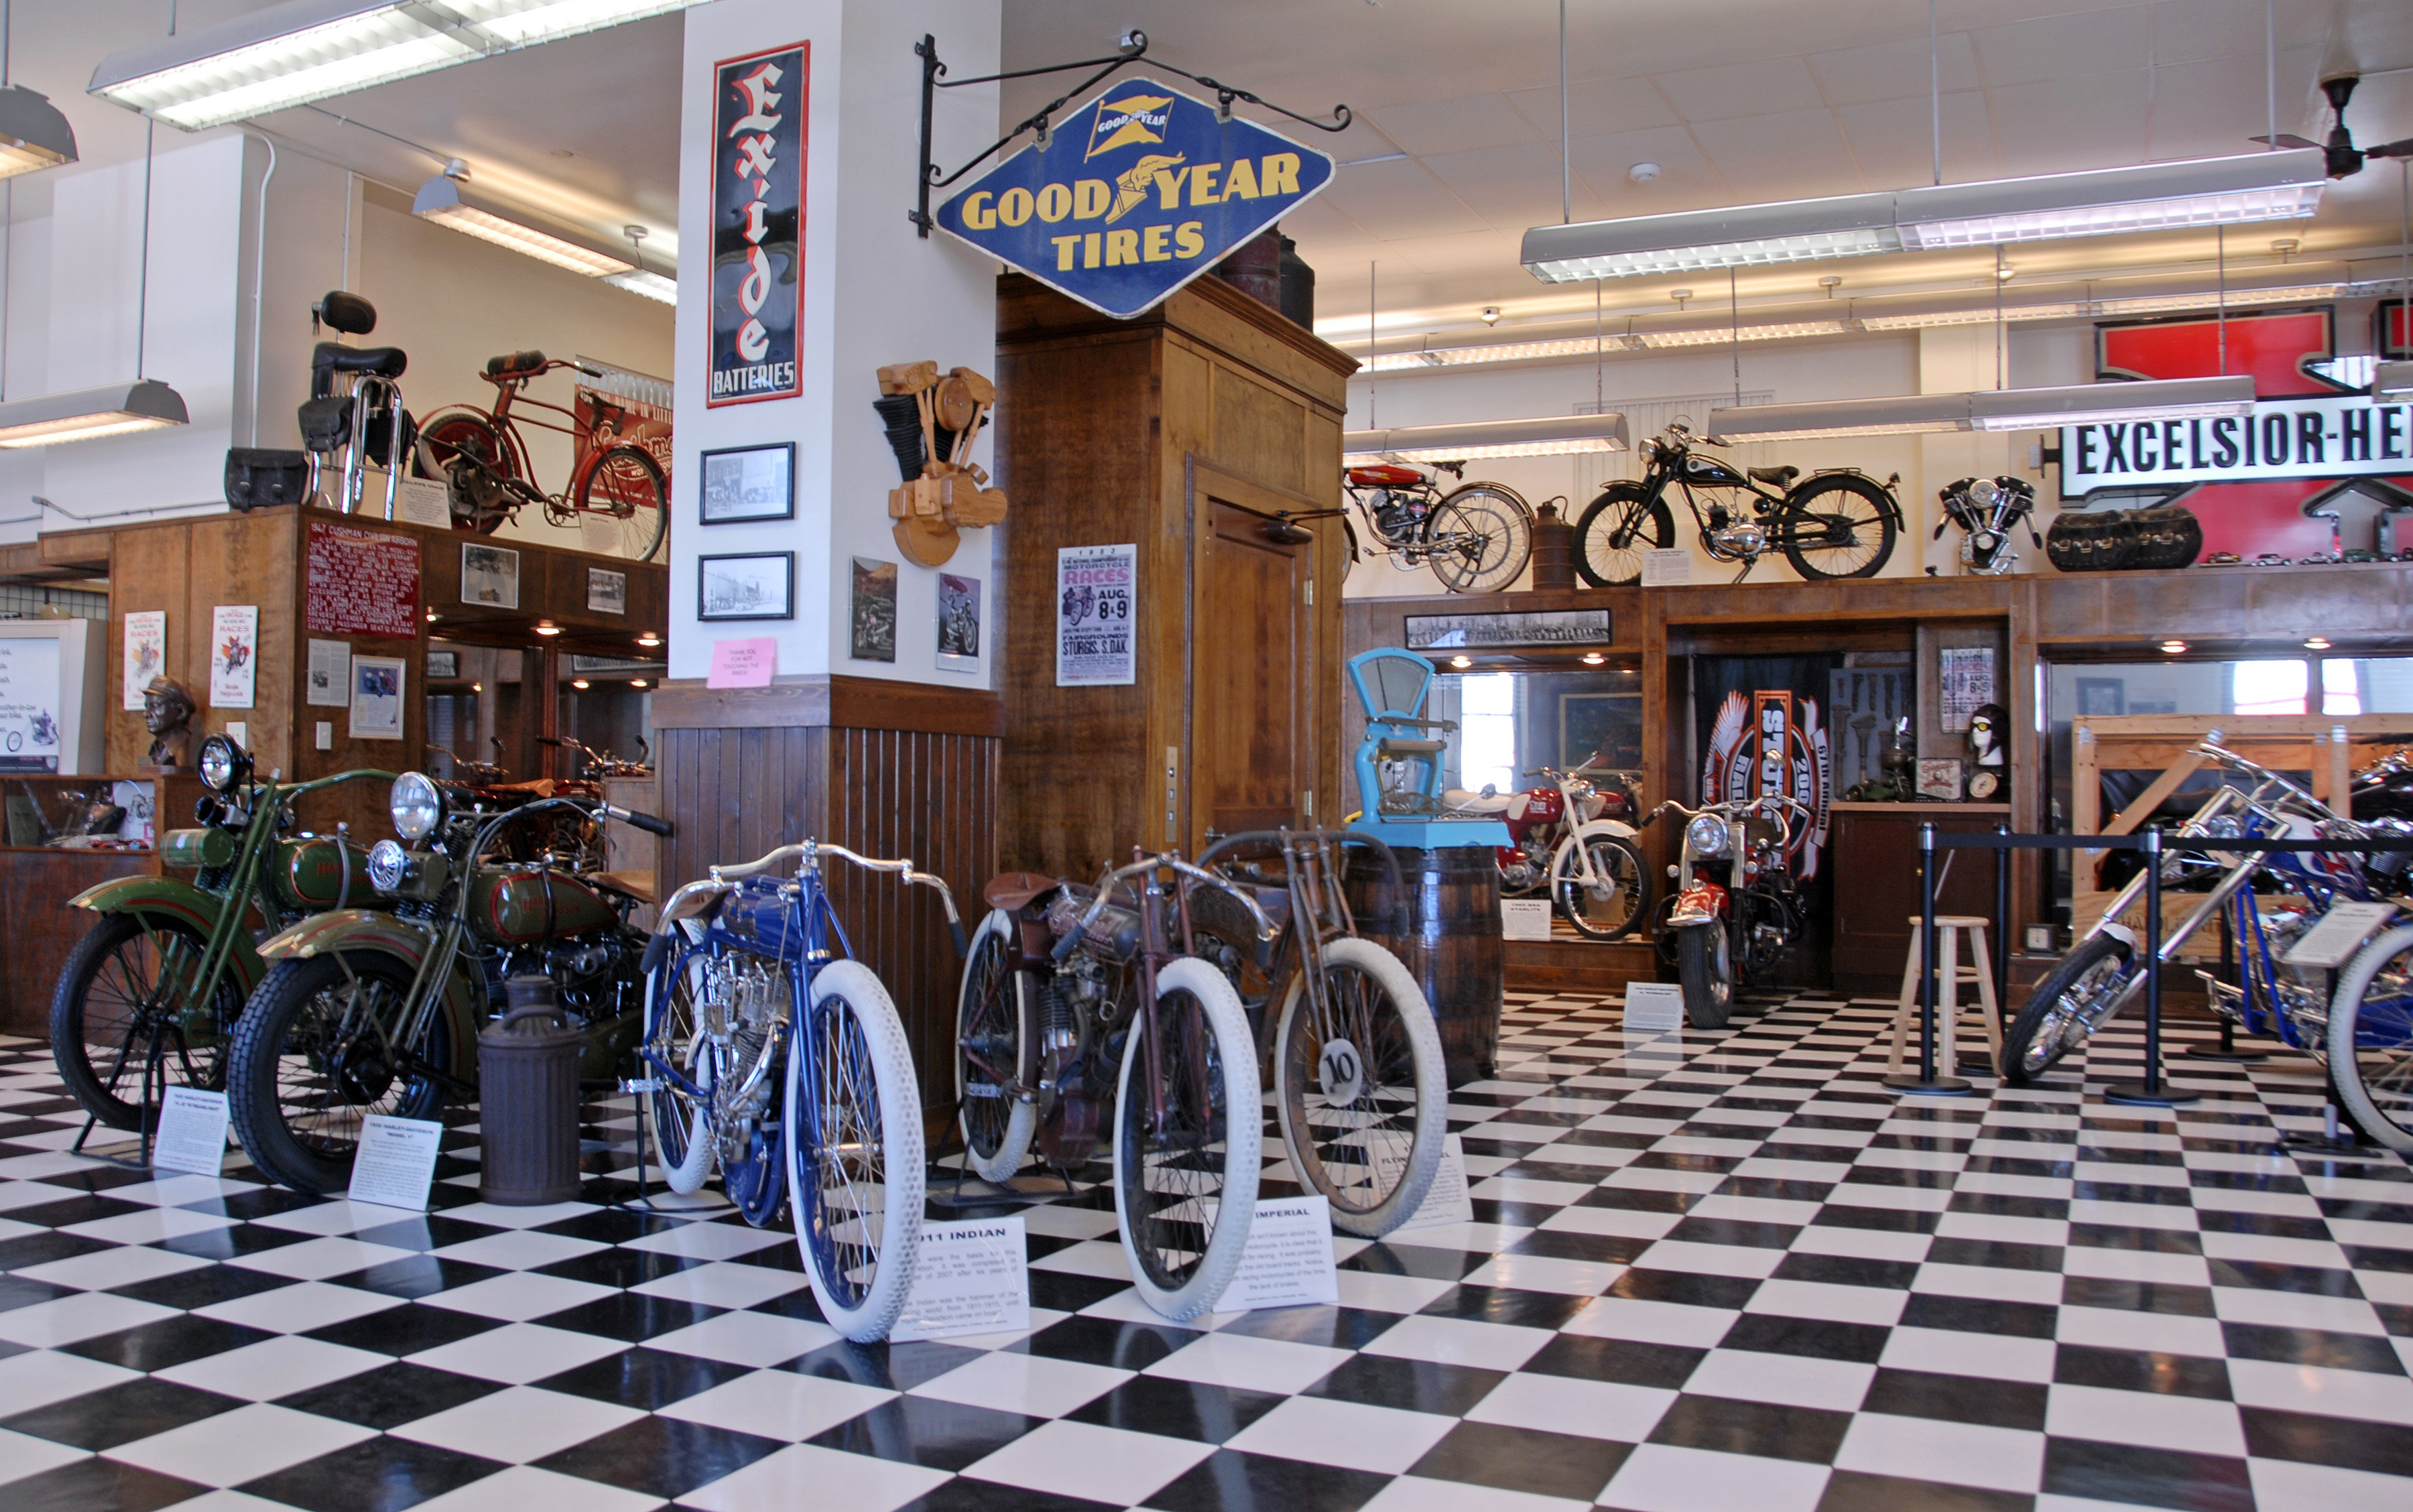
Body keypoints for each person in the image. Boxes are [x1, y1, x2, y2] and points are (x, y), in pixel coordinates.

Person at [141, 677, 198, 771]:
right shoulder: (154, 750)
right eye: (147, 707)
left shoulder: (190, 750)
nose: (146, 714)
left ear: (181, 712)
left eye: (155, 706)